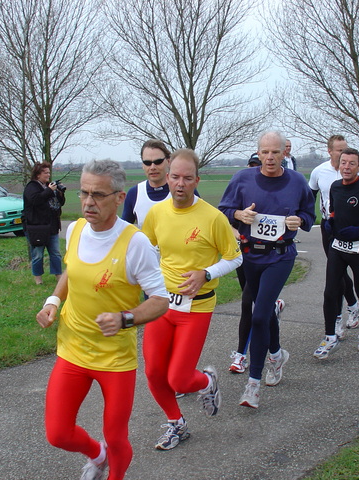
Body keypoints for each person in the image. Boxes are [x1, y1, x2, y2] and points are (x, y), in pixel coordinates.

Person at [35, 159, 169, 480]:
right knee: (58, 433)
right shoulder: (76, 229)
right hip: (73, 349)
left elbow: (161, 302)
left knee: (117, 436)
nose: (88, 202)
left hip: (115, 359)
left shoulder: (135, 244)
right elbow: (72, 268)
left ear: (119, 198)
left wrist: (126, 318)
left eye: (98, 195)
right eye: (84, 193)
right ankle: (97, 455)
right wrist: (54, 300)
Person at [141, 149, 242, 450]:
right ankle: (176, 424)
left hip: (196, 307)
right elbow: (147, 250)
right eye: (175, 177)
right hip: (162, 305)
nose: (180, 184)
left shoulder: (212, 218)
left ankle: (206, 382)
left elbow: (234, 258)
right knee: (153, 372)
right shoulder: (157, 213)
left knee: (180, 380)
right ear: (167, 178)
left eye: (187, 178)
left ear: (196, 180)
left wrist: (206, 274)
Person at [219, 130, 316, 409]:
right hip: (250, 255)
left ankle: (254, 383)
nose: (270, 157)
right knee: (264, 308)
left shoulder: (297, 181)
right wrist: (238, 215)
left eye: (276, 152)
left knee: (259, 314)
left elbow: (310, 214)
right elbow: (223, 209)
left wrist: (300, 220)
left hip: (280, 256)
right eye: (265, 152)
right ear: (258, 153)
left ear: (285, 152)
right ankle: (276, 353)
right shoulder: (242, 179)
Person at [314, 148, 359, 360]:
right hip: (338, 246)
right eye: (343, 163)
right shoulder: (335, 187)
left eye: (351, 164)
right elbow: (335, 210)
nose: (346, 167)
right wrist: (331, 221)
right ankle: (329, 337)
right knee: (330, 291)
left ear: (358, 166)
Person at [229, 153, 285, 374]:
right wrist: (238, 226)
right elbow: (226, 217)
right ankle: (276, 353)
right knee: (260, 307)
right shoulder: (241, 187)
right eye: (253, 165)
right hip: (244, 254)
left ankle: (241, 354)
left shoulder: (273, 194)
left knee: (248, 303)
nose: (256, 169)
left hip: (268, 258)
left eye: (257, 166)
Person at [23, 162, 66, 285]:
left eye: (49, 172)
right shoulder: (31, 187)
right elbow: (35, 200)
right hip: (37, 227)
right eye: (45, 172)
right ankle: (38, 279)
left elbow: (59, 203)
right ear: (37, 175)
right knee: (37, 254)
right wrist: (49, 190)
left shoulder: (49, 186)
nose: (48, 175)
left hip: (52, 226)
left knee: (56, 253)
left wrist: (60, 192)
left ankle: (58, 276)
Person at [121, 139, 171, 228]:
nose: (152, 167)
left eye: (158, 162)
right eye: (147, 163)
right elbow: (122, 231)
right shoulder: (134, 193)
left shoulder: (185, 190)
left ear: (168, 161)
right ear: (143, 165)